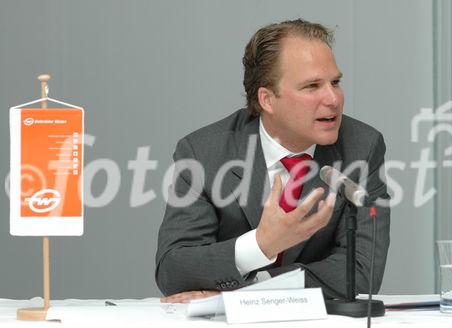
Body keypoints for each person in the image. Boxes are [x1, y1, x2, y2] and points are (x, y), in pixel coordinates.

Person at [156, 19, 390, 303]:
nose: (334, 98)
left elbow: (360, 273)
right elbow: (173, 269)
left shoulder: (362, 147)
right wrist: (260, 245)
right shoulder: (203, 153)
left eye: (335, 82)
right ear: (267, 99)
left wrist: (255, 286)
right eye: (312, 86)